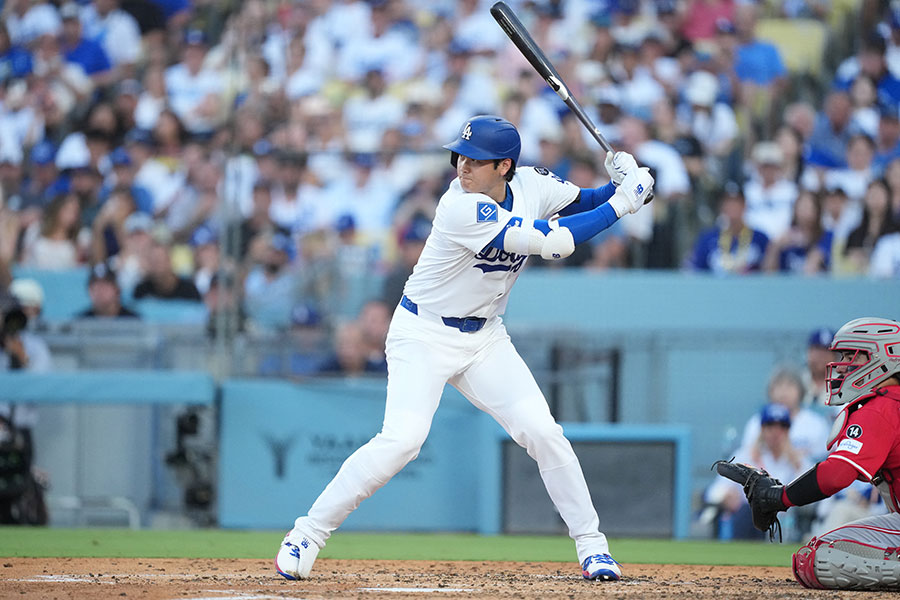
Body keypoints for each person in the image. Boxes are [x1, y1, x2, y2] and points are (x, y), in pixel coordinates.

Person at [274, 115, 654, 582]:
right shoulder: (459, 207)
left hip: (484, 337)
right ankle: (307, 533)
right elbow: (557, 243)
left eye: (475, 160)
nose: (461, 166)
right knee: (402, 441)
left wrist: (624, 180)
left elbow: (585, 200)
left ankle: (593, 547)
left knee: (543, 432)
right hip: (422, 333)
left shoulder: (533, 184)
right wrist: (625, 203)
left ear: (505, 166)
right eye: (460, 156)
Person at [725, 317, 900, 590]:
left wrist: (778, 496)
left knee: (816, 558)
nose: (843, 365)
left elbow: (836, 475)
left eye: (853, 356)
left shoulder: (880, 407)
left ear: (883, 357)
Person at [706, 403, 812, 540]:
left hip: (787, 524)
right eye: (770, 426)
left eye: (782, 427)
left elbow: (813, 500)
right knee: (747, 512)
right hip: (752, 521)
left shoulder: (799, 459)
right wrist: (726, 496)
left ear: (788, 431)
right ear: (762, 429)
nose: (776, 432)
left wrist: (797, 465)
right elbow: (714, 492)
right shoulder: (747, 455)